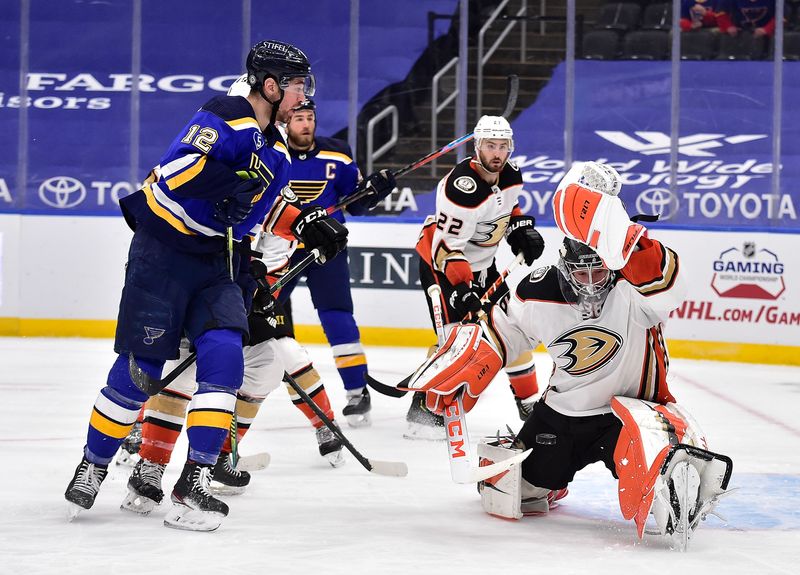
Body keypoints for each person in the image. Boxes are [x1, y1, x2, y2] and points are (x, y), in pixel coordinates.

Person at [64, 40, 348, 532]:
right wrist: (230, 179)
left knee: (224, 359)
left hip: (218, 262)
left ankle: (192, 480)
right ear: (272, 84)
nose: (304, 95)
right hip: (163, 254)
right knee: (141, 370)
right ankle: (93, 463)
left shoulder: (277, 148)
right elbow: (176, 171)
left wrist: (306, 224)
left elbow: (264, 208)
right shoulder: (225, 113)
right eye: (298, 84)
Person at [407, 162, 733, 549]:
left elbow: (666, 283)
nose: (592, 282)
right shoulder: (536, 290)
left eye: (600, 271)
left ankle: (670, 448)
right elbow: (499, 334)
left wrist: (621, 232)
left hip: (630, 414)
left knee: (666, 504)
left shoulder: (635, 285)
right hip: (564, 416)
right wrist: (469, 363)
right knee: (510, 495)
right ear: (565, 263)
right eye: (582, 272)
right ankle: (552, 480)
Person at [408, 115, 545, 440]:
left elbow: (506, 210)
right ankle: (424, 412)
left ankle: (529, 405)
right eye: (490, 146)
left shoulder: (511, 175)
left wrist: (521, 231)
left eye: (502, 146)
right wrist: (463, 288)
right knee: (456, 344)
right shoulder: (461, 189)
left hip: (482, 267)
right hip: (443, 270)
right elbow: (445, 249)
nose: (496, 153)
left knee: (513, 328)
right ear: (477, 147)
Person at [277, 98, 396, 428]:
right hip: (280, 251)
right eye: (298, 118)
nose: (305, 124)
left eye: (309, 118)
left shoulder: (338, 153)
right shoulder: (272, 153)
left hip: (327, 248)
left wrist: (374, 190)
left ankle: (358, 392)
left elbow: (355, 203)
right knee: (258, 319)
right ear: (286, 121)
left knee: (337, 317)